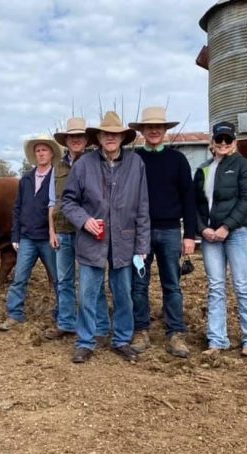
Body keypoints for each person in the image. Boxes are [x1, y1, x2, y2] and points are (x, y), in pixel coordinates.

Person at [62, 111, 150, 364]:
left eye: (115, 134)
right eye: (106, 133)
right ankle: (86, 341)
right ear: (99, 137)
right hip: (93, 240)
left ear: (122, 137)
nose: (110, 138)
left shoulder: (136, 164)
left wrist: (142, 244)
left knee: (123, 293)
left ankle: (122, 339)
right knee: (88, 293)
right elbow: (68, 201)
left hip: (125, 239)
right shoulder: (84, 165)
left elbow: (142, 206)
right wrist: (84, 220)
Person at [127, 106, 198, 358]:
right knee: (138, 284)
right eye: (149, 127)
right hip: (140, 233)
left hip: (169, 231)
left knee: (172, 284)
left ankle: (176, 333)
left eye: (159, 127)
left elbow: (189, 198)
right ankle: (141, 330)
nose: (154, 131)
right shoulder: (134, 160)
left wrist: (189, 234)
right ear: (142, 131)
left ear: (165, 130)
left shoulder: (177, 160)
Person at [194, 121, 247, 357]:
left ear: (235, 143)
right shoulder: (203, 169)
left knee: (242, 285)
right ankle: (216, 340)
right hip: (210, 236)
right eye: (219, 140)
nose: (223, 144)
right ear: (212, 142)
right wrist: (202, 229)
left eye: (228, 140)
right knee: (216, 286)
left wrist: (226, 226)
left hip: (236, 233)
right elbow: (196, 205)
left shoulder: (243, 166)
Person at [44, 117, 110, 346]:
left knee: (92, 282)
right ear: (67, 140)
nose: (76, 140)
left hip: (89, 231)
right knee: (64, 280)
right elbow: (53, 202)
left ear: (86, 140)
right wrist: (51, 231)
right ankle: (66, 323)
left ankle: (101, 327)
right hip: (63, 229)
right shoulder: (57, 168)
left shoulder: (98, 163)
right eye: (72, 137)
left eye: (80, 136)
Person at [0, 135, 61, 331]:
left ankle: (63, 315)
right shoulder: (26, 179)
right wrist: (15, 235)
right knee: (20, 277)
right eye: (38, 151)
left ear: (51, 153)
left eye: (44, 150)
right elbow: (17, 208)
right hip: (27, 238)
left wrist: (57, 232)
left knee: (59, 278)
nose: (41, 153)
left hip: (49, 238)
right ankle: (14, 314)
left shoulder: (57, 177)